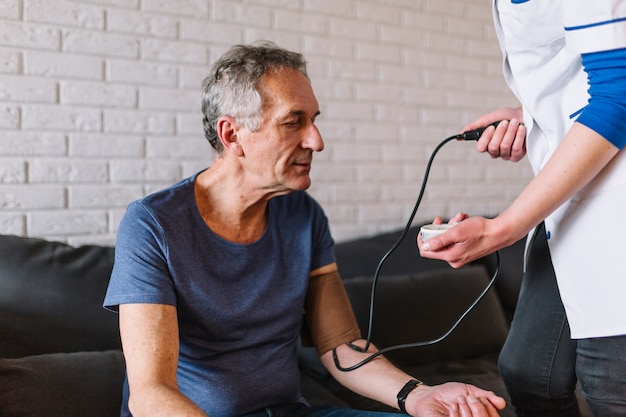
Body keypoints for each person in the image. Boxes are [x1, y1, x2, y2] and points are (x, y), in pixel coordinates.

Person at [103, 41, 506, 417]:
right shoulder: (153, 224)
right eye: (293, 122)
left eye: (313, 120)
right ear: (232, 135)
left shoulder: (303, 216)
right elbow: (151, 392)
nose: (316, 140)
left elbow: (341, 346)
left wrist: (420, 395)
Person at [417, 2, 626, 416]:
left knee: (609, 383)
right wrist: (530, 118)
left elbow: (618, 93)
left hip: (614, 204)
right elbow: (573, 75)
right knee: (529, 370)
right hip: (571, 204)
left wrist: (501, 229)